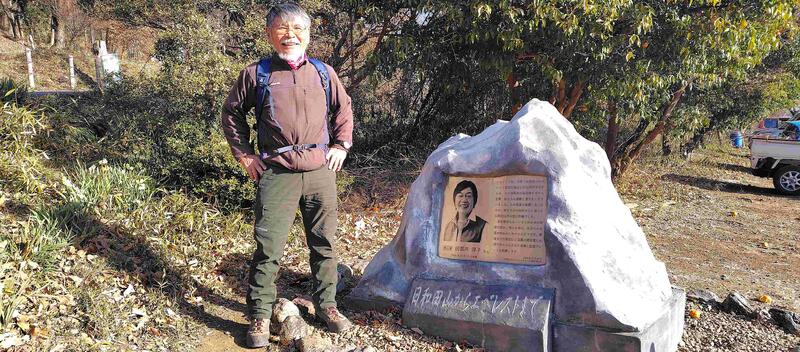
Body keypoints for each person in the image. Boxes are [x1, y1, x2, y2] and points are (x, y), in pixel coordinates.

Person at [220, 3, 354, 348]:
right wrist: (245, 155)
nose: (290, 35)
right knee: (268, 248)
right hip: (277, 173)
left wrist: (341, 144)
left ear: (308, 34)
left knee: (324, 242)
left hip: (320, 171)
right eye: (282, 28)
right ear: (269, 34)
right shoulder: (257, 73)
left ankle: (327, 306)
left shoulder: (324, 72)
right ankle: (261, 315)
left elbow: (344, 108)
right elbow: (232, 113)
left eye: (298, 29)